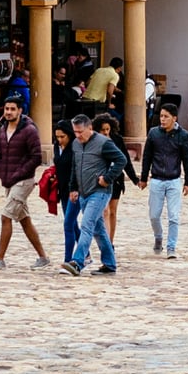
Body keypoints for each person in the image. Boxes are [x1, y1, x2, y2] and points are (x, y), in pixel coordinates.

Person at [62, 114, 130, 277]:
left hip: (99, 192)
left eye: (80, 132)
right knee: (99, 230)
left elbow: (121, 160)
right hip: (83, 193)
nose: (78, 135)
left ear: (90, 128)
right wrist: (73, 188)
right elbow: (75, 167)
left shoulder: (104, 143)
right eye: (75, 132)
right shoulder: (76, 144)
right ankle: (109, 264)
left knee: (87, 225)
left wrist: (107, 178)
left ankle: (78, 262)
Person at [0, 95, 50, 271]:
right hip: (9, 180)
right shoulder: (3, 129)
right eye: (6, 109)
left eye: (12, 109)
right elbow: (0, 154)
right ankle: (43, 257)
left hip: (24, 181)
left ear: (20, 111)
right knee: (25, 220)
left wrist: (18, 174)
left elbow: (36, 157)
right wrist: (2, 173)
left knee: (6, 216)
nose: (8, 112)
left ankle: (0, 258)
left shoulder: (29, 130)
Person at [139, 102, 188, 258]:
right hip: (156, 179)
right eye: (161, 116)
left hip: (173, 180)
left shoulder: (183, 135)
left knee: (174, 216)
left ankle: (171, 246)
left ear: (174, 118)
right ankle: (158, 237)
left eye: (166, 116)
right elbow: (147, 156)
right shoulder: (154, 133)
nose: (162, 119)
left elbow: (187, 159)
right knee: (154, 215)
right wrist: (143, 177)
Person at [50, 122, 81, 260]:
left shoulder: (76, 147)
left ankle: (68, 259)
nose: (59, 140)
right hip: (62, 190)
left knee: (68, 224)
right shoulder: (56, 146)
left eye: (62, 137)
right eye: (57, 137)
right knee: (73, 224)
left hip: (75, 190)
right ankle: (86, 254)